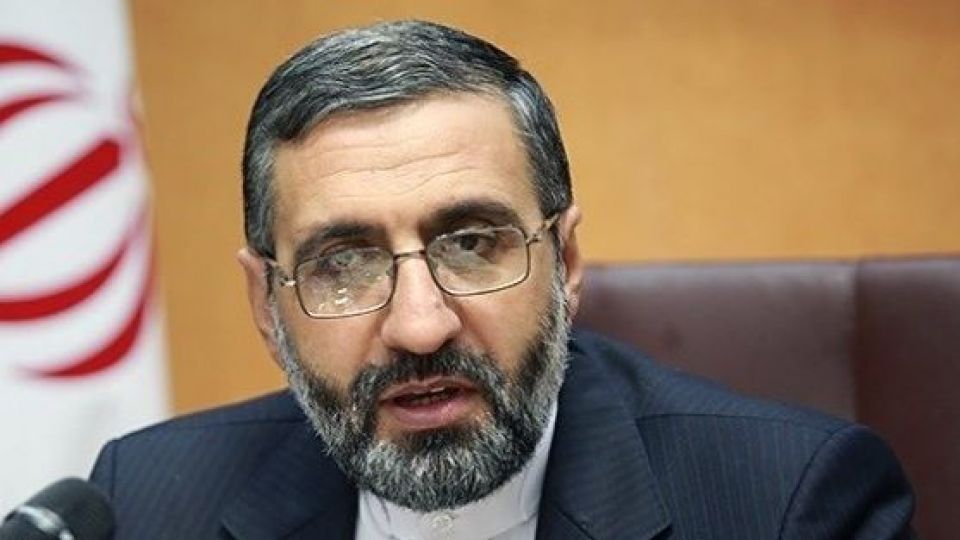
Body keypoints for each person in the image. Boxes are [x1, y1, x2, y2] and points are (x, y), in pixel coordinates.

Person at [89, 20, 915, 539]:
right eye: (343, 264)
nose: (420, 326)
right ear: (267, 306)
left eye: (472, 244)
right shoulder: (145, 507)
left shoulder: (793, 504)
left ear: (566, 263)